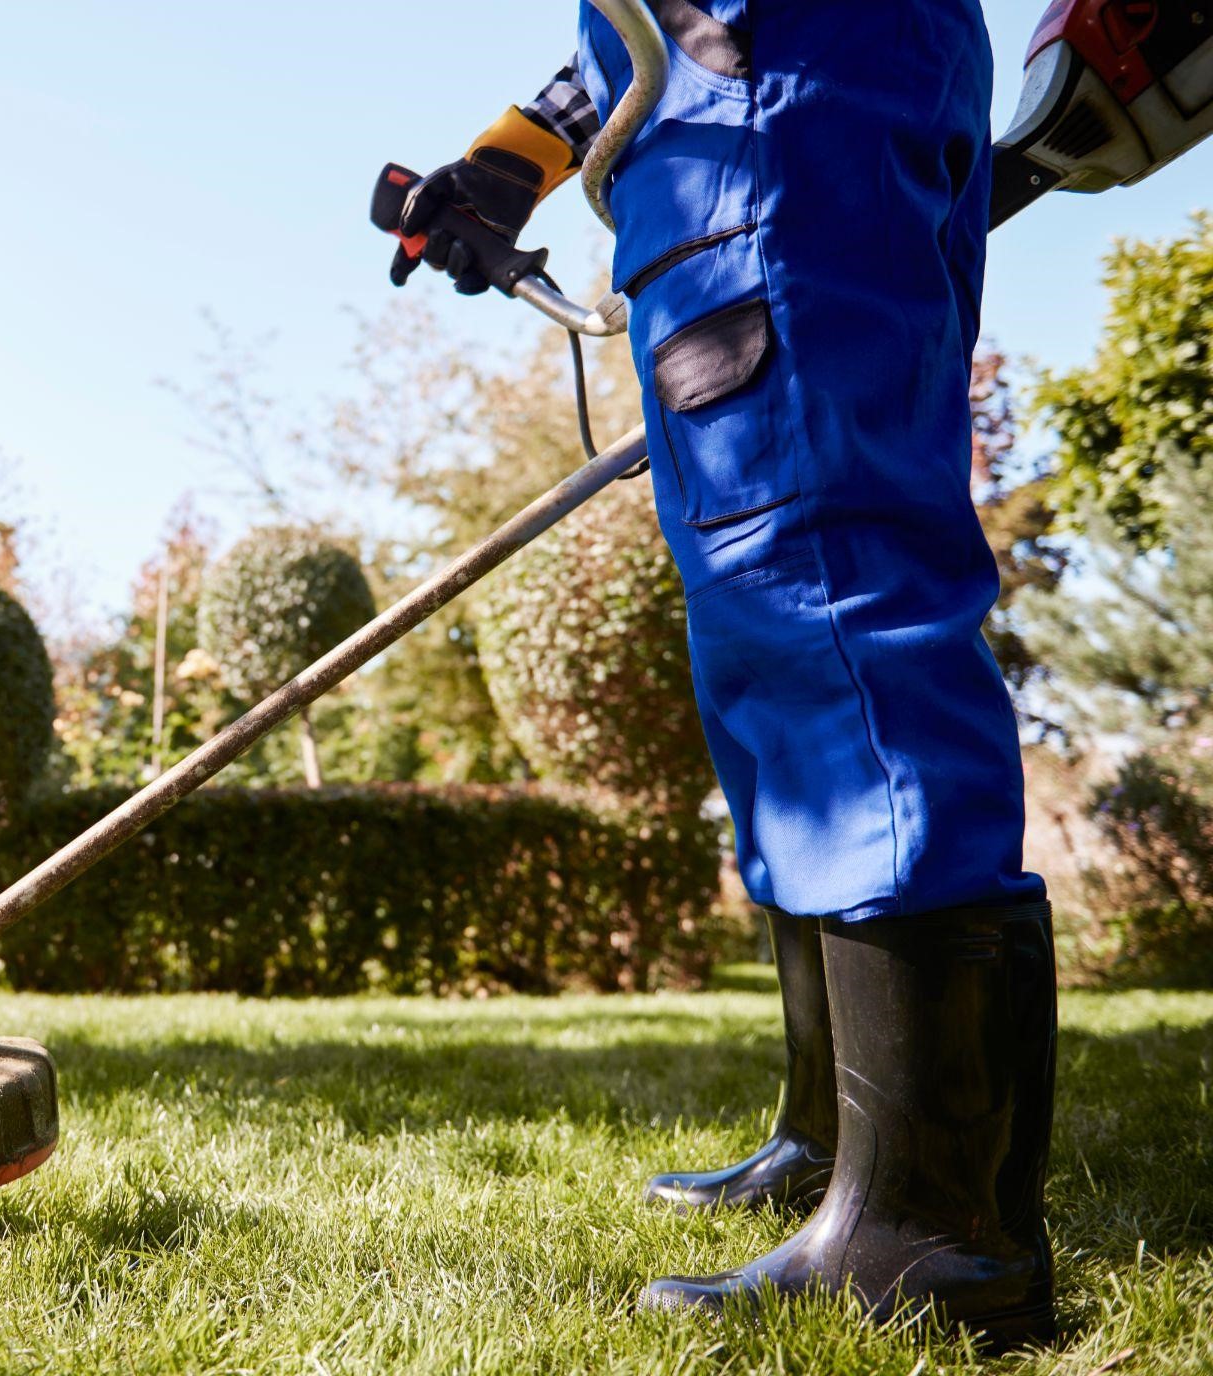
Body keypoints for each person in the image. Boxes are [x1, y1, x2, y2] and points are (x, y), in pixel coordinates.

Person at [391, 0, 1057, 1347]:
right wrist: (515, 154)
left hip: (780, 90)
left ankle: (936, 1225)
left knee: (821, 584)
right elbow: (627, 40)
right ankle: (839, 1147)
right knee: (762, 641)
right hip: (727, 112)